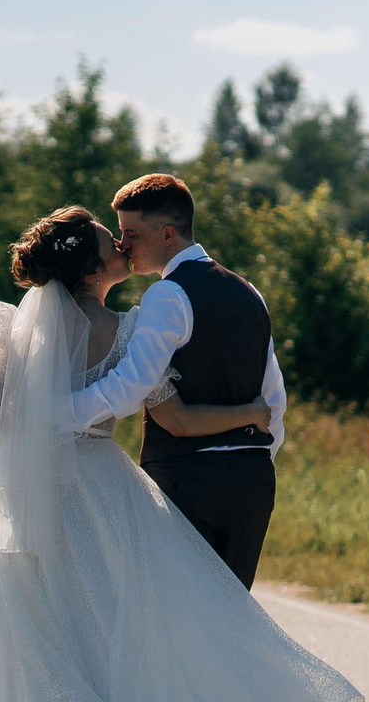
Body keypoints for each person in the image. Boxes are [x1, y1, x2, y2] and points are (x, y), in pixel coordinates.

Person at [0, 206, 361, 702]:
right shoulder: (128, 332)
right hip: (95, 487)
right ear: (92, 267)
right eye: (107, 240)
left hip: (16, 488)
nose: (121, 244)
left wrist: (23, 409)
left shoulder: (13, 330)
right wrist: (252, 412)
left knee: (19, 620)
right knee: (101, 621)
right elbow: (176, 420)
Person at [71, 173, 283, 590]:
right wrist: (256, 463)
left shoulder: (167, 295)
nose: (123, 245)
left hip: (189, 481)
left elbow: (128, 389)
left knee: (178, 626)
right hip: (253, 485)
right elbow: (274, 397)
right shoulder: (249, 291)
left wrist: (54, 412)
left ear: (167, 234)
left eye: (130, 233)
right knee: (228, 623)